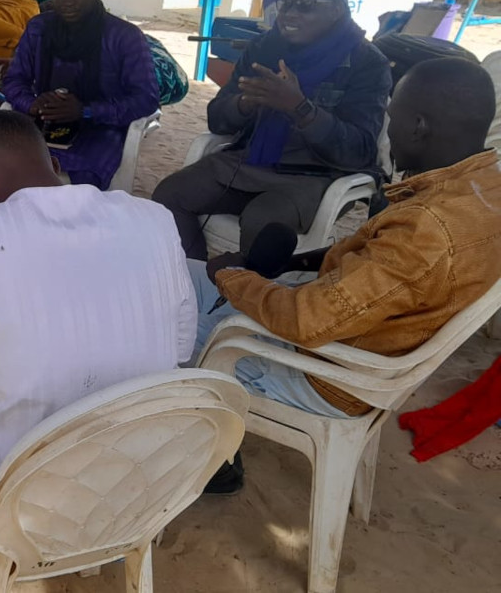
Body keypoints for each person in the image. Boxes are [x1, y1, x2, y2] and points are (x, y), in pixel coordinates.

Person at [193, 58, 501, 492]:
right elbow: (380, 272)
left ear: (418, 127)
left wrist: (230, 275)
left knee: (172, 313)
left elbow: (306, 320)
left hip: (328, 374)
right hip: (366, 344)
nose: (386, 132)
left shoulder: (426, 230)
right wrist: (300, 262)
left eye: (391, 120)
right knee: (188, 283)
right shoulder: (484, 189)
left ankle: (211, 462)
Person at [0, 111, 197, 478]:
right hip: (136, 471)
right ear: (55, 165)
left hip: (18, 485)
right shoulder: (154, 218)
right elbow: (181, 346)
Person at [152, 0, 392, 260]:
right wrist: (246, 104)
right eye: (286, 3)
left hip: (315, 176)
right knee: (168, 196)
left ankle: (248, 297)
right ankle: (198, 278)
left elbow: (359, 151)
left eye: (305, 6)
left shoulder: (366, 63)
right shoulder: (265, 47)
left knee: (261, 222)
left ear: (337, 10)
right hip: (251, 160)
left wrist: (300, 108)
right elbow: (217, 118)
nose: (290, 13)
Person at [2, 0, 159, 190]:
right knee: (1, 161)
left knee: (80, 184)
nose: (68, 1)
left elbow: (146, 98)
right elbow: (14, 80)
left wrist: (85, 111)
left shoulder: (124, 36)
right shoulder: (39, 28)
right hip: (43, 123)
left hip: (102, 128)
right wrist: (33, 104)